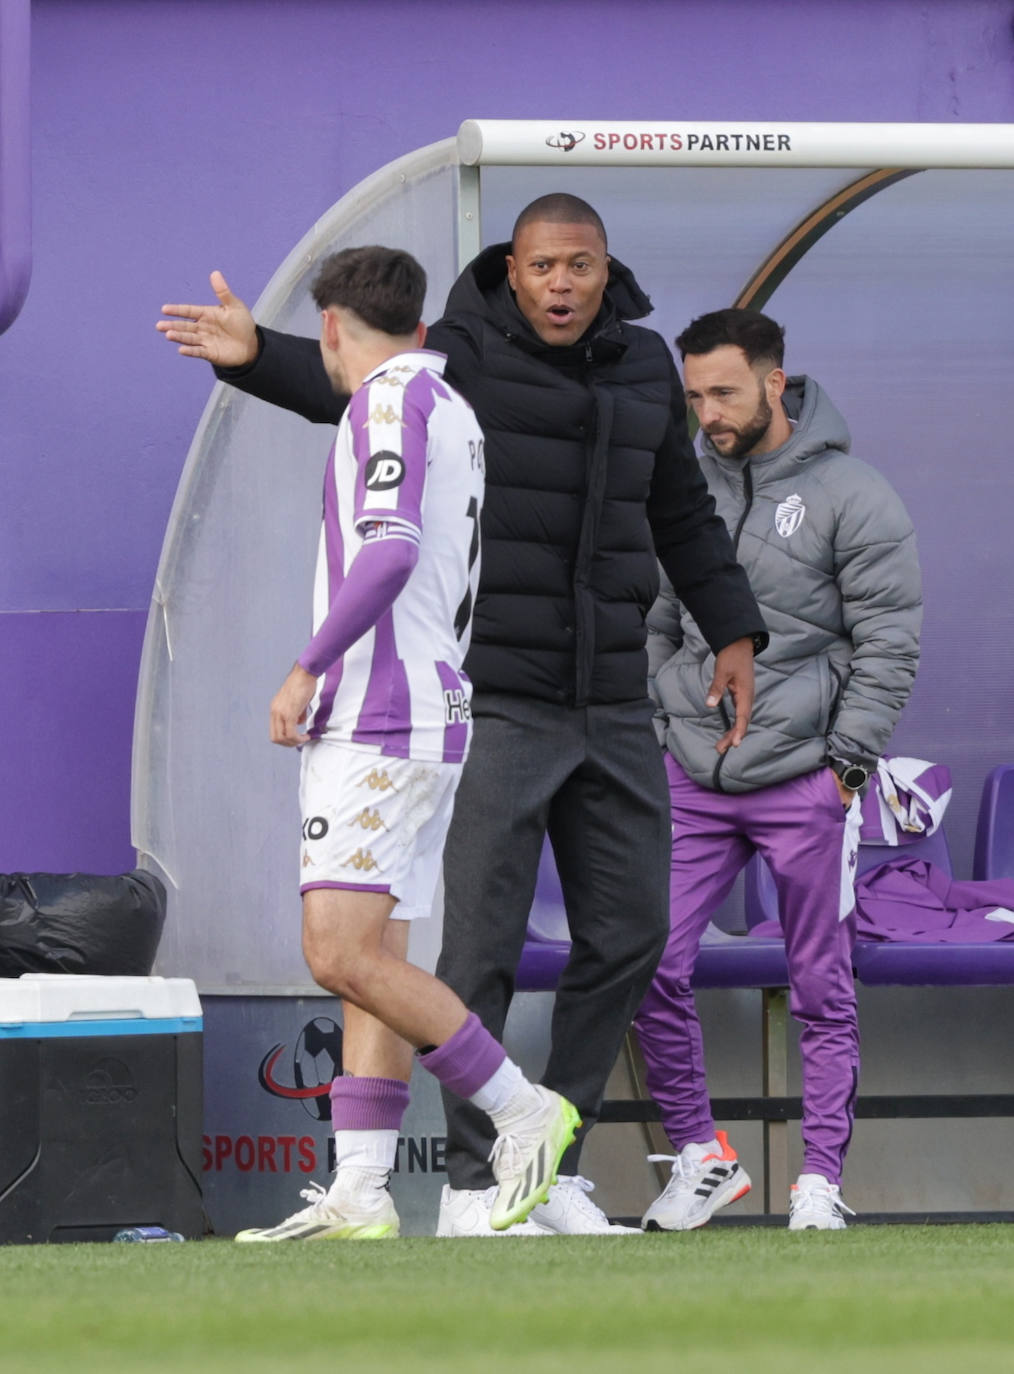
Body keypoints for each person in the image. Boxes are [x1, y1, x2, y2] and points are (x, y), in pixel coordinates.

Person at [157, 195, 767, 1237]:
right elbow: (354, 386)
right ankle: (480, 1185)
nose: (562, 285)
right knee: (474, 939)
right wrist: (255, 355)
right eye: (543, 267)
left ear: (605, 270)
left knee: (631, 934)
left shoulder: (642, 365)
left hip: (611, 694)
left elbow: (682, 511)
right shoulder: (461, 354)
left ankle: (550, 1161)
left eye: (580, 266)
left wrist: (735, 631)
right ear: (514, 271)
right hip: (495, 698)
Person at [231, 245, 580, 1242]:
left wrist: (307, 664)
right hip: (427, 711)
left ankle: (523, 1110)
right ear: (418, 327)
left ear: (333, 329)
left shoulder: (385, 403)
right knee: (377, 952)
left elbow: (386, 551)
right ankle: (363, 1189)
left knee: (337, 951)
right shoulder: (449, 406)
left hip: (379, 714)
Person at [633, 308, 921, 1232]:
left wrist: (843, 769)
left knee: (819, 985)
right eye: (694, 397)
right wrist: (666, 720)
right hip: (693, 775)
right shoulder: (679, 488)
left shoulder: (853, 492)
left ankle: (818, 1182)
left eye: (723, 392)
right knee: (650, 966)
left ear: (773, 380)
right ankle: (701, 1156)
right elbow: (660, 621)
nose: (708, 413)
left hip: (806, 779)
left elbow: (888, 644)